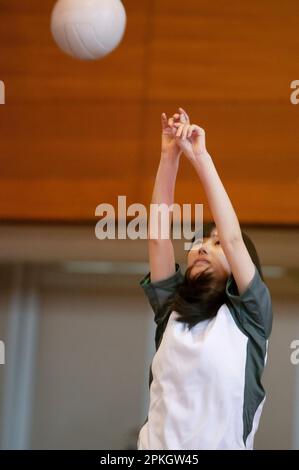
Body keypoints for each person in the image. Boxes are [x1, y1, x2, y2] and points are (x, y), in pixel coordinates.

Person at [137, 108, 273, 450]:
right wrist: (168, 157)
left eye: (215, 243)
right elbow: (157, 238)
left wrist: (200, 157)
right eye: (199, 241)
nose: (201, 246)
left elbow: (233, 239)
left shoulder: (251, 317)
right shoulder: (171, 309)